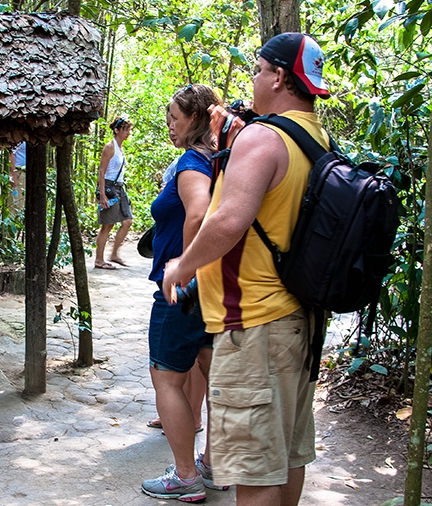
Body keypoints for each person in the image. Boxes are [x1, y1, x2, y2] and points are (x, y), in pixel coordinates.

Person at [162, 33, 332, 506]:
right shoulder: (315, 138)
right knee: (286, 459)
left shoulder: (265, 136)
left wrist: (182, 265)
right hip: (298, 323)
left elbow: (229, 221)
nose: (255, 78)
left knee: (255, 474)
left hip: (255, 326)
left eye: (259, 70)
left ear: (279, 76)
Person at [141, 84, 227, 502]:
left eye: (175, 118)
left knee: (167, 379)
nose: (170, 125)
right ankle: (213, 466)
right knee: (215, 376)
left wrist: (184, 268)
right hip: (216, 288)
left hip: (184, 290)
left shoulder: (193, 162)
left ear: (194, 119)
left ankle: (186, 476)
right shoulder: (222, 157)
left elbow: (198, 211)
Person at [95, 117, 133, 270]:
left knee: (127, 221)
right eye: (125, 129)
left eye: (129, 130)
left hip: (119, 188)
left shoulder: (120, 148)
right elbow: (102, 171)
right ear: (117, 130)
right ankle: (99, 260)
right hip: (109, 187)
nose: (128, 133)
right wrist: (102, 194)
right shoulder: (110, 147)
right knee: (107, 225)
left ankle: (114, 254)